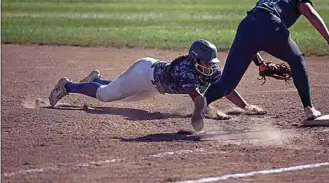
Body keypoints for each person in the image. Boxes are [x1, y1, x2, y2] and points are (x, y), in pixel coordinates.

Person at [194, 0, 329, 126]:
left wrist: (261, 64)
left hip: (246, 25)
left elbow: (253, 38)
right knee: (296, 60)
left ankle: (203, 103)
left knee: (227, 82)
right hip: (271, 25)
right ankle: (309, 109)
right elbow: (310, 14)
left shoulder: (263, 1)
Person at [49, 39, 266, 132]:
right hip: (144, 74)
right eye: (206, 63)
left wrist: (245, 106)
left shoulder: (206, 69)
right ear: (194, 59)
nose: (210, 67)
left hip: (154, 85)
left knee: (120, 92)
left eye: (212, 63)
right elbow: (197, 99)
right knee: (105, 96)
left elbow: (225, 87)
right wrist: (213, 112)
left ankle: (94, 81)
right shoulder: (186, 70)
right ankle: (67, 86)